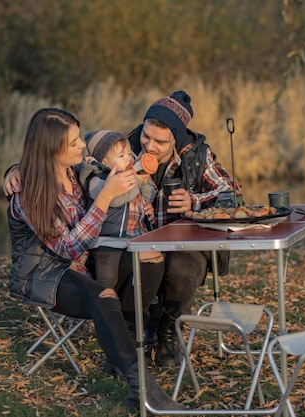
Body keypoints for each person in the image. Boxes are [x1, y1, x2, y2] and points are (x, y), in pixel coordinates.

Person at [6, 108, 183, 412]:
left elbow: (101, 161)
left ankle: (124, 345)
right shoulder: (29, 194)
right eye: (73, 142)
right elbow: (70, 249)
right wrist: (105, 196)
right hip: (47, 276)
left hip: (84, 264)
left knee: (151, 261)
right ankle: (141, 389)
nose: (81, 147)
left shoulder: (76, 169)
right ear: (52, 149)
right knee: (102, 295)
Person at [126, 90, 240, 367]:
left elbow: (232, 196)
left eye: (159, 141)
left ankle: (169, 327)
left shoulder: (198, 154)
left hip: (186, 245)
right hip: (137, 242)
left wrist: (195, 200)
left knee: (181, 266)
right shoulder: (125, 148)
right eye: (146, 135)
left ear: (175, 139)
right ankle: (140, 328)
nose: (149, 145)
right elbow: (83, 168)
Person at [79, 129, 163, 326]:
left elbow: (148, 195)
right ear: (105, 163)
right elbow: (116, 199)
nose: (128, 158)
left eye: (129, 154)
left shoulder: (129, 175)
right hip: (106, 241)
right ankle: (105, 310)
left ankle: (141, 305)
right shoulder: (97, 180)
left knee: (142, 270)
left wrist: (144, 178)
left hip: (131, 239)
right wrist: (136, 183)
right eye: (121, 155)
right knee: (108, 278)